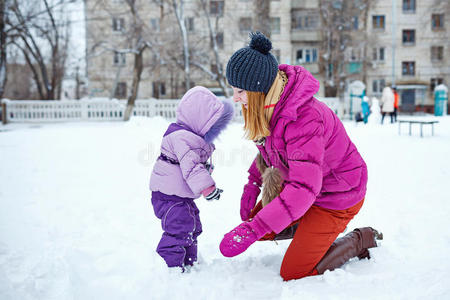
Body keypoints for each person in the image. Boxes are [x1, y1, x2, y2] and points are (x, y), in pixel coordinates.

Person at [219, 32, 381, 281]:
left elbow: (305, 187)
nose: (235, 98)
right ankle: (309, 227)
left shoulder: (304, 118)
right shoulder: (272, 107)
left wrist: (255, 228)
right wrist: (253, 183)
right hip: (310, 190)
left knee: (293, 271)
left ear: (259, 90)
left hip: (338, 196)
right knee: (261, 226)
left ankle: (358, 239)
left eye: (240, 91)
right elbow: (274, 153)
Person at [150, 86, 234, 271]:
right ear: (200, 119)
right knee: (179, 227)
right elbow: (191, 166)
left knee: (193, 225)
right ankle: (170, 266)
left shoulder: (190, 138)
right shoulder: (181, 138)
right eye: (211, 124)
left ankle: (189, 262)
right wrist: (207, 188)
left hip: (178, 195)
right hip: (168, 196)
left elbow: (193, 165)